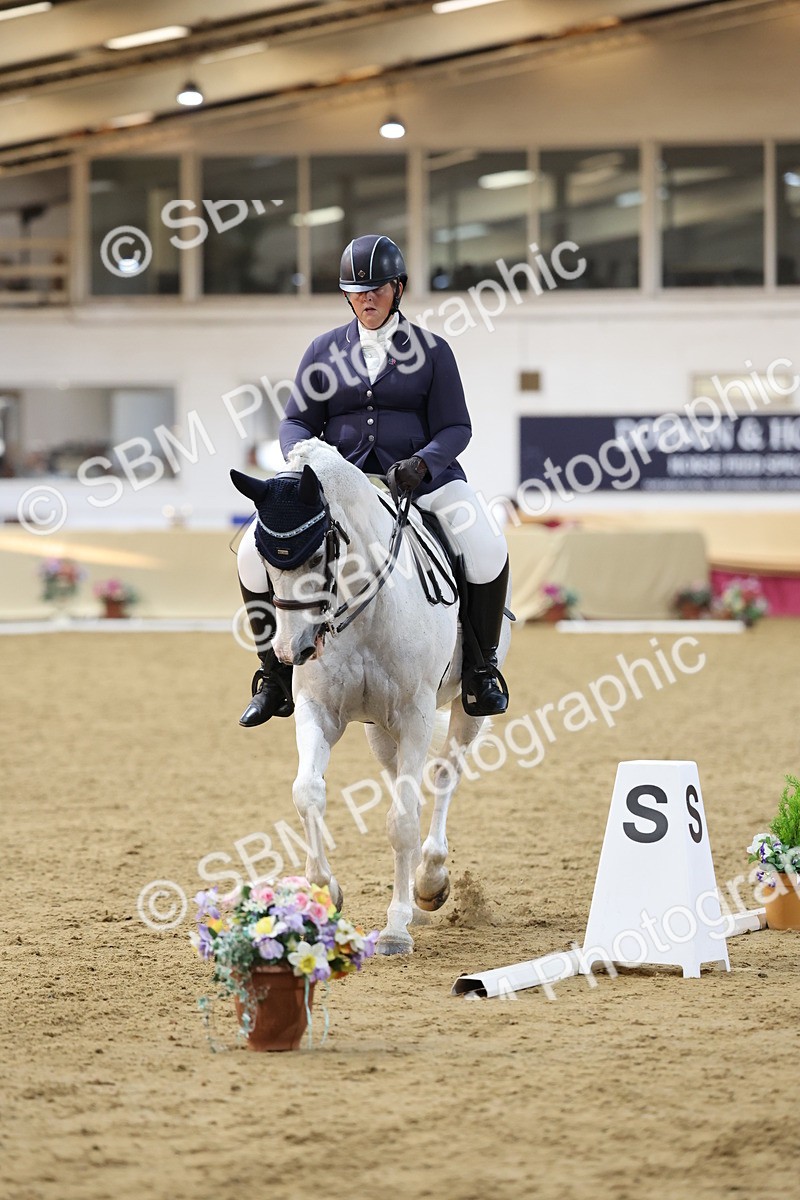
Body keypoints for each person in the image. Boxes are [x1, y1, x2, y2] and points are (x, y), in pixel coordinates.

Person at [236, 233, 510, 727]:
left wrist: (423, 462)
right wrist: (308, 458)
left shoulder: (432, 350)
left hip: (422, 481)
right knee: (253, 553)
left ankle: (480, 667)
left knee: (486, 546)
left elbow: (457, 427)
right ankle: (273, 676)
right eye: (356, 290)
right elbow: (296, 421)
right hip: (341, 489)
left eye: (376, 289)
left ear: (398, 288)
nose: (366, 298)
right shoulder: (323, 350)